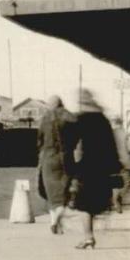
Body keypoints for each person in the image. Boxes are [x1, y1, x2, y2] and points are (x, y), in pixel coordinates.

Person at [68, 91, 122, 249]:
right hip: (104, 167)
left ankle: (88, 237)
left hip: (87, 167)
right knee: (96, 201)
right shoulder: (103, 119)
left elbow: (72, 144)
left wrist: (72, 166)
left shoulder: (81, 119)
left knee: (84, 205)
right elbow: (112, 145)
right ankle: (113, 200)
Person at [36, 94, 76, 234]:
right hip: (67, 157)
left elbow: (39, 141)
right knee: (64, 191)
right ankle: (57, 221)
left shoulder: (45, 119)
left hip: (49, 159)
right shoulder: (71, 117)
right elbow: (77, 138)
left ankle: (54, 221)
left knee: (51, 193)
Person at [111, 116, 130, 213]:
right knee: (126, 182)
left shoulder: (110, 134)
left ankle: (115, 199)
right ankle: (119, 196)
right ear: (121, 123)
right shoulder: (124, 133)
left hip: (113, 162)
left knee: (115, 183)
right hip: (125, 161)